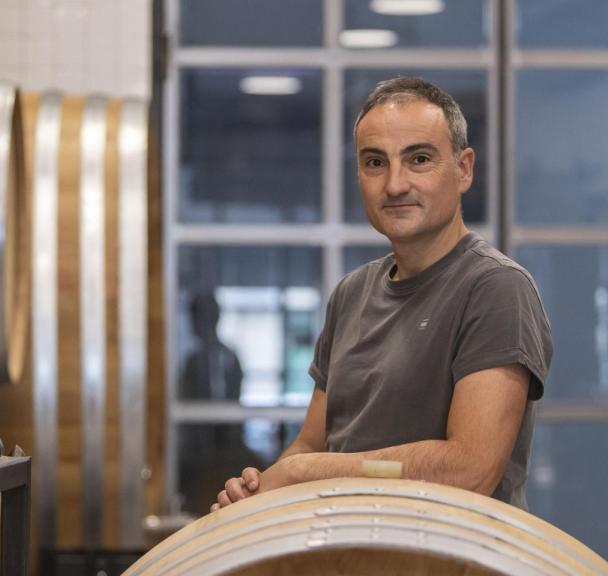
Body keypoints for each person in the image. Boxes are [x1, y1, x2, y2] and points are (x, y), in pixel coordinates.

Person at [213, 76, 553, 512]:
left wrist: (302, 474)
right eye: (375, 163)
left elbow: (470, 470)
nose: (394, 185)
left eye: (419, 159)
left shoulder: (495, 288)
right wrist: (261, 488)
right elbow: (309, 446)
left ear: (463, 168)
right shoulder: (351, 294)